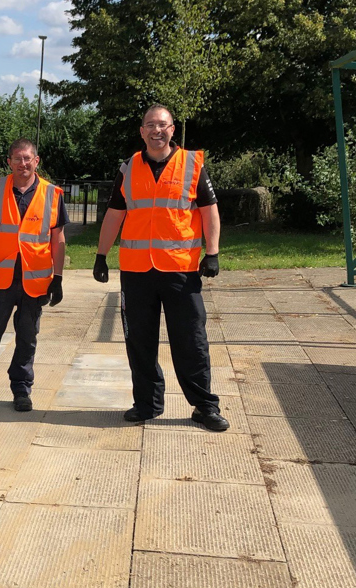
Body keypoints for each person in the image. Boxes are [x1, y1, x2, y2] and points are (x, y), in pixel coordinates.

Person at [92, 103, 229, 432]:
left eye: (163, 125)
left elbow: (209, 210)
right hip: (137, 272)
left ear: (173, 130)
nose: (157, 130)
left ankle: (204, 407)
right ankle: (147, 403)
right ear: (142, 131)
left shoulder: (192, 165)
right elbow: (114, 213)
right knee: (140, 341)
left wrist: (212, 252)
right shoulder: (128, 169)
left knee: (191, 340)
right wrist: (101, 255)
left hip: (180, 271)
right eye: (150, 125)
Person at [0, 138, 69, 412]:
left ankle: (21, 390)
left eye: (28, 158)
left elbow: (58, 239)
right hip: (0, 280)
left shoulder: (53, 194)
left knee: (27, 338)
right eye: (17, 158)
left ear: (36, 161)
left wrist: (58, 277)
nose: (23, 163)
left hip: (35, 281)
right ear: (9, 162)